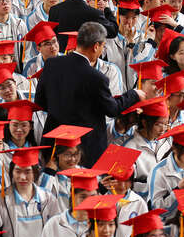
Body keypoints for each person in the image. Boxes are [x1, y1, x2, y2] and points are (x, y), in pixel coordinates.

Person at [36, 22, 144, 167]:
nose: (103, 50)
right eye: (103, 46)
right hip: (84, 150)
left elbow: (40, 102)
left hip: (55, 144)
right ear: (96, 46)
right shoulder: (96, 78)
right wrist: (134, 94)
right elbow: (112, 109)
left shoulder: (51, 64)